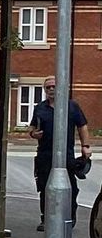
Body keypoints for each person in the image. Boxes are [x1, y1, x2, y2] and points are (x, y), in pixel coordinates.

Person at [31, 90, 92, 228]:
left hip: (66, 154)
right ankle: (46, 219)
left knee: (70, 187)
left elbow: (82, 126)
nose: (52, 89)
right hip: (45, 154)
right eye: (48, 87)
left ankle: (69, 218)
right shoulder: (40, 108)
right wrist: (33, 134)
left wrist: (86, 145)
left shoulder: (72, 106)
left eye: (54, 86)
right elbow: (32, 127)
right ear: (45, 89)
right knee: (44, 187)